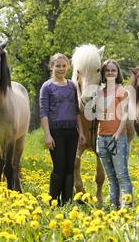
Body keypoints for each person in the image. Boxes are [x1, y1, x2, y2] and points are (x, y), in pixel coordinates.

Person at [40, 53, 86, 206]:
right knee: (59, 167)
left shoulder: (72, 86)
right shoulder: (47, 87)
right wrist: (47, 135)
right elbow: (43, 112)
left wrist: (81, 132)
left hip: (72, 132)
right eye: (57, 65)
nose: (61, 69)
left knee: (69, 168)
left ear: (68, 67)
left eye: (64, 66)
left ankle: (67, 202)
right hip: (55, 132)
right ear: (51, 66)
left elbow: (76, 111)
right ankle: (53, 201)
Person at [95, 59, 133, 210]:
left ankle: (127, 205)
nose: (110, 73)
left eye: (113, 70)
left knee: (122, 175)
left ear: (118, 73)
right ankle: (113, 204)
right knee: (110, 177)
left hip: (117, 137)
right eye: (107, 70)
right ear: (103, 73)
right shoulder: (99, 93)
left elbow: (124, 115)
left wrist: (117, 133)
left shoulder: (122, 92)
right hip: (101, 138)